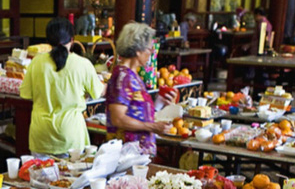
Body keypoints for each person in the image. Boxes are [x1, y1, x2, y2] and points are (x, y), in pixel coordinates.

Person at [19, 17, 105, 155]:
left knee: (40, 176)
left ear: (48, 41)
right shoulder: (83, 64)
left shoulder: (36, 63)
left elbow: (25, 94)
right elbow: (98, 93)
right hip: (70, 137)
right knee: (70, 176)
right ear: (72, 39)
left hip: (41, 136)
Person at [105, 21, 177, 156]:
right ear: (138, 50)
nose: (151, 53)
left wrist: (160, 103)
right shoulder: (122, 77)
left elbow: (138, 112)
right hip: (127, 155)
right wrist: (153, 127)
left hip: (138, 154)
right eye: (149, 49)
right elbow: (118, 119)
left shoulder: (134, 76)